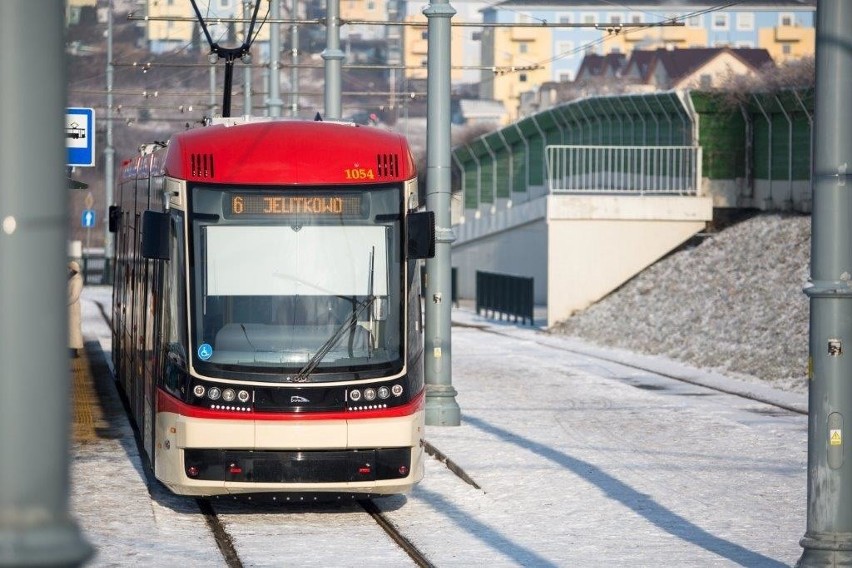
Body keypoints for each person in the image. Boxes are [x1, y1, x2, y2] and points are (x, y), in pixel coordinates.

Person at [68, 260, 83, 358]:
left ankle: (74, 351)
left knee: (74, 331)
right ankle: (71, 349)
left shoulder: (77, 280)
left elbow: (74, 296)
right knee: (70, 331)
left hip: (72, 309)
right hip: (70, 309)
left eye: (69, 268)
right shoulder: (72, 278)